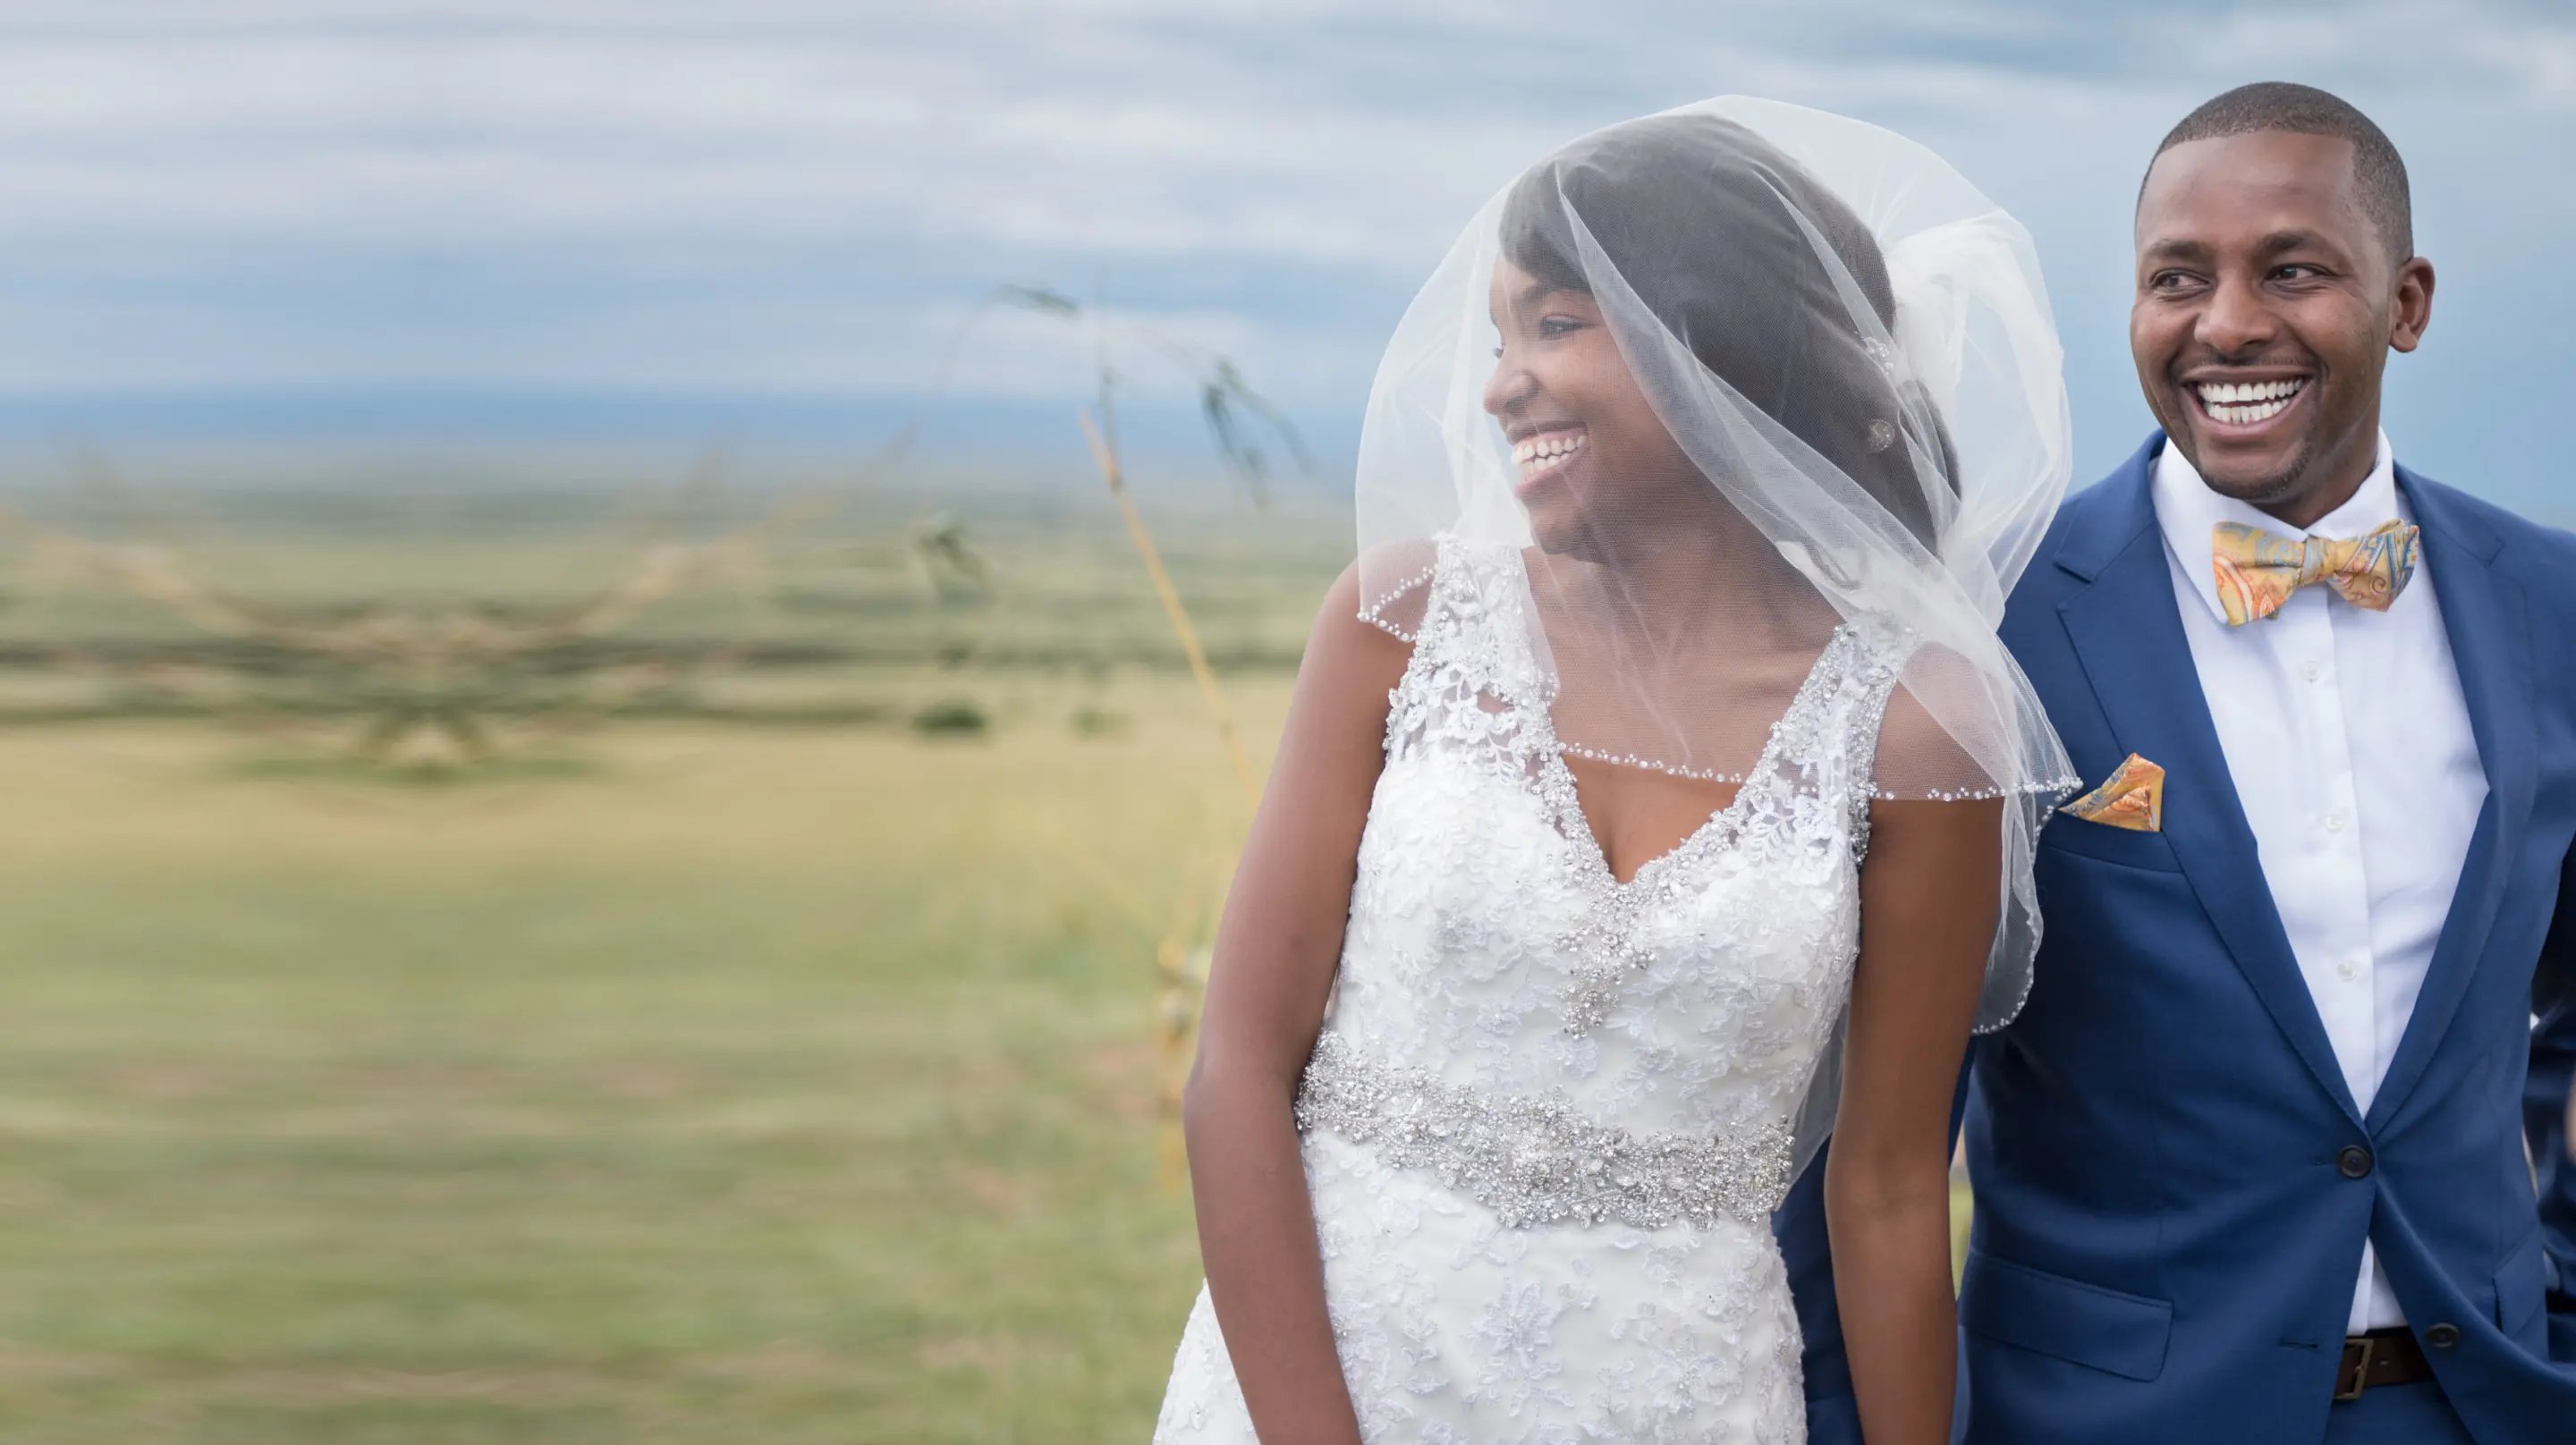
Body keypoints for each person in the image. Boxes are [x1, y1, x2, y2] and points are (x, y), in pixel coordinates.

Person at [1153, 97, 2075, 1444]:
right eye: (1499, 334)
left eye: (1557, 324)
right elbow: (1236, 1068)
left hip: (1674, 1398)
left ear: (1723, 348)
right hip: (1318, 1386)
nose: (1499, 383)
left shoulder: (1913, 734)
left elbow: (1882, 1190)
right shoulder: (1401, 623)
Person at [1780, 81, 2576, 1444]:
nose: (2227, 325)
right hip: (2102, 1419)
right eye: (2176, 279)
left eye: (2293, 270)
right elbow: (1857, 1140)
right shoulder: (1987, 632)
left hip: (2488, 1406)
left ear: (2409, 303)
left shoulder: (2550, 606)